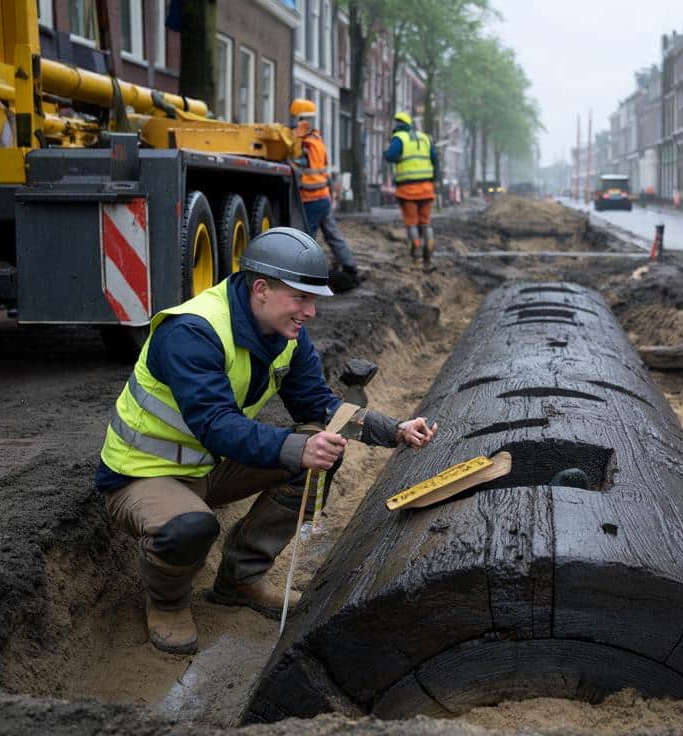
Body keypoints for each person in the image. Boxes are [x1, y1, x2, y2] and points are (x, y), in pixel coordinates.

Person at [95, 228, 437, 655]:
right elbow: (216, 424)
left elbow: (318, 405)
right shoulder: (192, 332)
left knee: (318, 451)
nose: (310, 311)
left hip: (206, 467)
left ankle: (241, 579)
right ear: (261, 288)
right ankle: (166, 603)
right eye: (301, 298)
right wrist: (297, 448)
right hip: (143, 473)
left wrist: (395, 429)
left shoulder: (283, 334)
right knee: (193, 528)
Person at [290, 98, 360, 288]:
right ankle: (350, 267)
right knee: (333, 234)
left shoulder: (302, 141)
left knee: (307, 238)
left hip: (310, 197)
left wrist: (290, 162)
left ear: (298, 118)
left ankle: (306, 275)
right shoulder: (317, 139)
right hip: (323, 196)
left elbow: (299, 165)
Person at [383, 111, 439, 267]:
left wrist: (385, 152)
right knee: (425, 222)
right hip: (427, 188)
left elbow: (390, 156)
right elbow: (435, 160)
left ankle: (416, 252)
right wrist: (434, 180)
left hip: (407, 190)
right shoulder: (425, 138)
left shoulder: (399, 139)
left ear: (397, 125)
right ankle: (429, 247)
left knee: (412, 223)